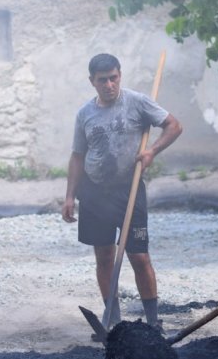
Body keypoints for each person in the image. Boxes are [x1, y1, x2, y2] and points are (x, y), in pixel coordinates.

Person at [62, 53, 183, 336]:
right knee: (104, 256)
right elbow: (77, 156)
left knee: (139, 257)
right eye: (102, 80)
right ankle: (112, 322)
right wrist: (69, 196)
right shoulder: (85, 114)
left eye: (114, 78)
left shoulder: (137, 102)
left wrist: (152, 150)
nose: (109, 85)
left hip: (129, 189)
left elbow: (174, 125)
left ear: (120, 76)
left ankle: (153, 322)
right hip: (93, 192)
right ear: (92, 81)